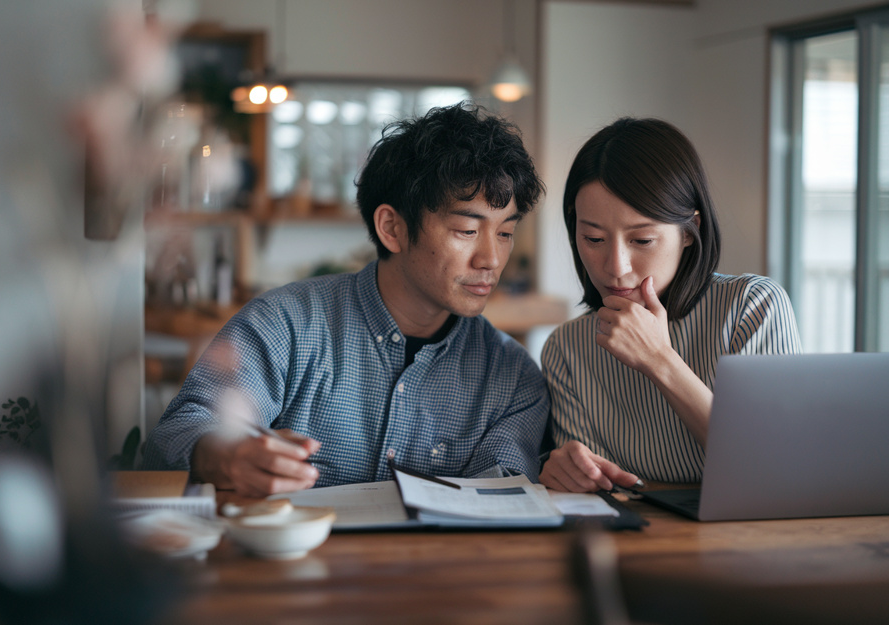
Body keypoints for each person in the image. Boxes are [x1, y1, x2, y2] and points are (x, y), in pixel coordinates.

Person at [142, 103, 549, 497]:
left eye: (506, 233)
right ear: (392, 228)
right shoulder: (286, 325)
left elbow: (506, 500)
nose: (492, 260)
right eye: (466, 230)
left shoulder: (512, 379)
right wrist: (226, 456)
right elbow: (176, 436)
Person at [539, 117, 801, 493]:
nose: (616, 267)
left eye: (642, 240)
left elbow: (777, 470)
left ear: (689, 231)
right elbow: (601, 496)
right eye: (593, 239)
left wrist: (660, 360)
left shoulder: (751, 307)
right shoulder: (566, 349)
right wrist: (566, 472)